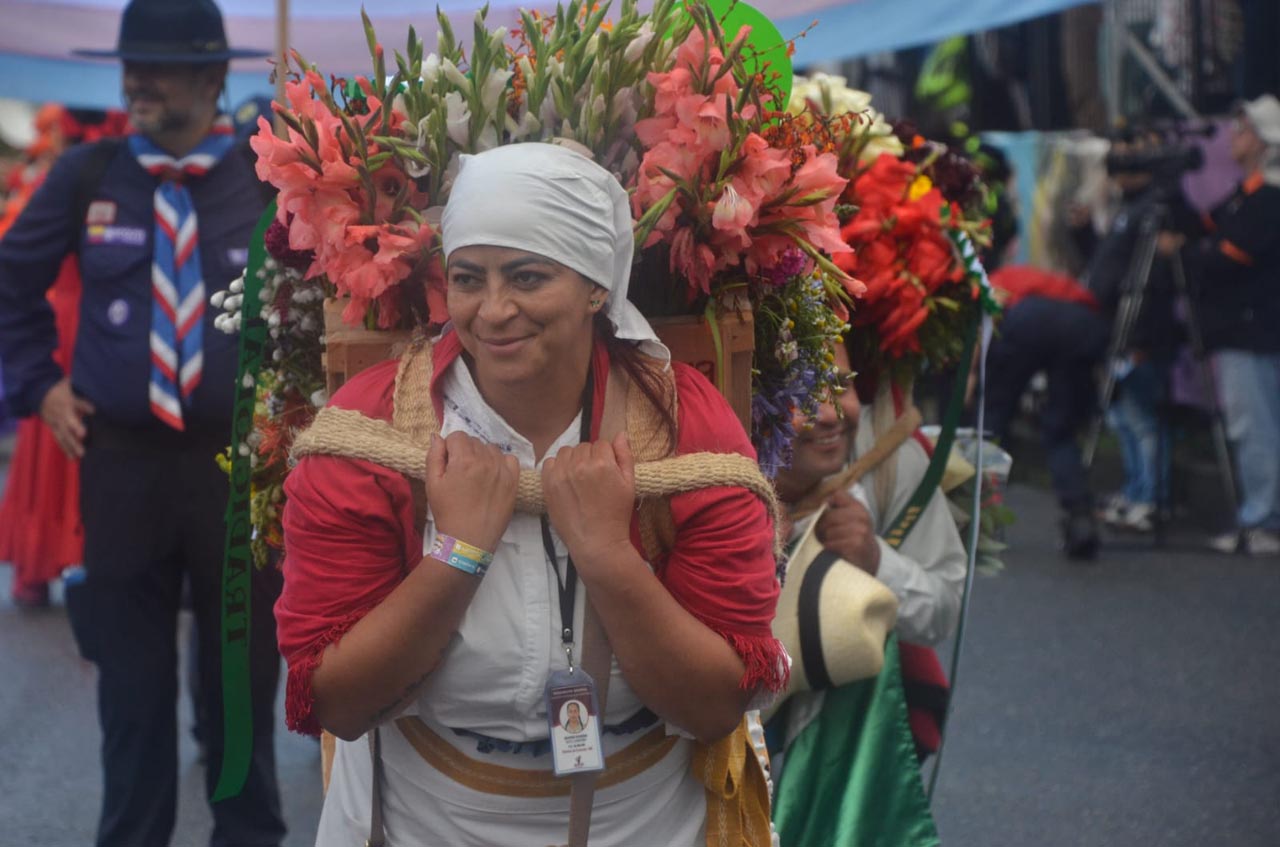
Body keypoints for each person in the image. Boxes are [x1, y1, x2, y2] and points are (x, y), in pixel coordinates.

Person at [276, 142, 787, 846]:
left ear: (596, 287)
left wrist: (608, 556)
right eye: (468, 278)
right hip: (427, 821)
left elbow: (716, 706)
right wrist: (458, 553)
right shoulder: (373, 428)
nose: (493, 310)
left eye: (527, 276)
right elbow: (335, 702)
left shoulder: (684, 427)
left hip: (646, 821)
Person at [0, 2, 286, 845]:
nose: (139, 81)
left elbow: (330, 296)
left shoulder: (268, 179)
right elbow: (11, 281)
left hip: (238, 469)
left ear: (213, 78)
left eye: (160, 66)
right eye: (133, 65)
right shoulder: (88, 174)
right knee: (131, 694)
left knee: (239, 686)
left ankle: (248, 835)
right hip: (120, 465)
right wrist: (39, 385)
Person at [1068, 131, 1195, 533]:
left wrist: (1138, 340)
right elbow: (1111, 267)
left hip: (1142, 332)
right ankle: (1136, 489)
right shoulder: (1130, 208)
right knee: (1123, 418)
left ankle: (1151, 498)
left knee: (1143, 419)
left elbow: (1156, 278)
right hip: (1112, 328)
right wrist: (1084, 233)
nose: (1121, 165)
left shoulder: (1160, 208)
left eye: (1130, 156)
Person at [1181, 95, 1280, 555]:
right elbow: (1203, 227)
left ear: (1264, 141)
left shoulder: (1269, 197)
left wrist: (1190, 253)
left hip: (1253, 330)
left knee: (1255, 427)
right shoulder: (1247, 194)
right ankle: (1260, 516)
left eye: (1243, 129)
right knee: (1255, 424)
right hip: (1245, 330)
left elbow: (1223, 256)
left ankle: (1263, 520)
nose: (1233, 136)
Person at [984, 265, 1110, 559]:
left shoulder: (995, 280)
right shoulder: (1051, 281)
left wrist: (976, 378)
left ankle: (980, 513)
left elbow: (989, 317)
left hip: (1025, 322)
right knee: (1061, 430)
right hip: (1080, 325)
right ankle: (1080, 516)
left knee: (993, 420)